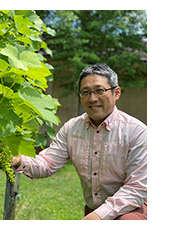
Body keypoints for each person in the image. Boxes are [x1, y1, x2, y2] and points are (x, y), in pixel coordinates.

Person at [10, 63, 147, 220]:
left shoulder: (136, 132)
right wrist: (19, 161)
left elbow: (137, 188)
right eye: (85, 92)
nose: (92, 98)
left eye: (100, 91)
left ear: (116, 93)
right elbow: (47, 163)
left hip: (132, 210)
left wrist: (99, 216)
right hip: (93, 211)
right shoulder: (72, 129)